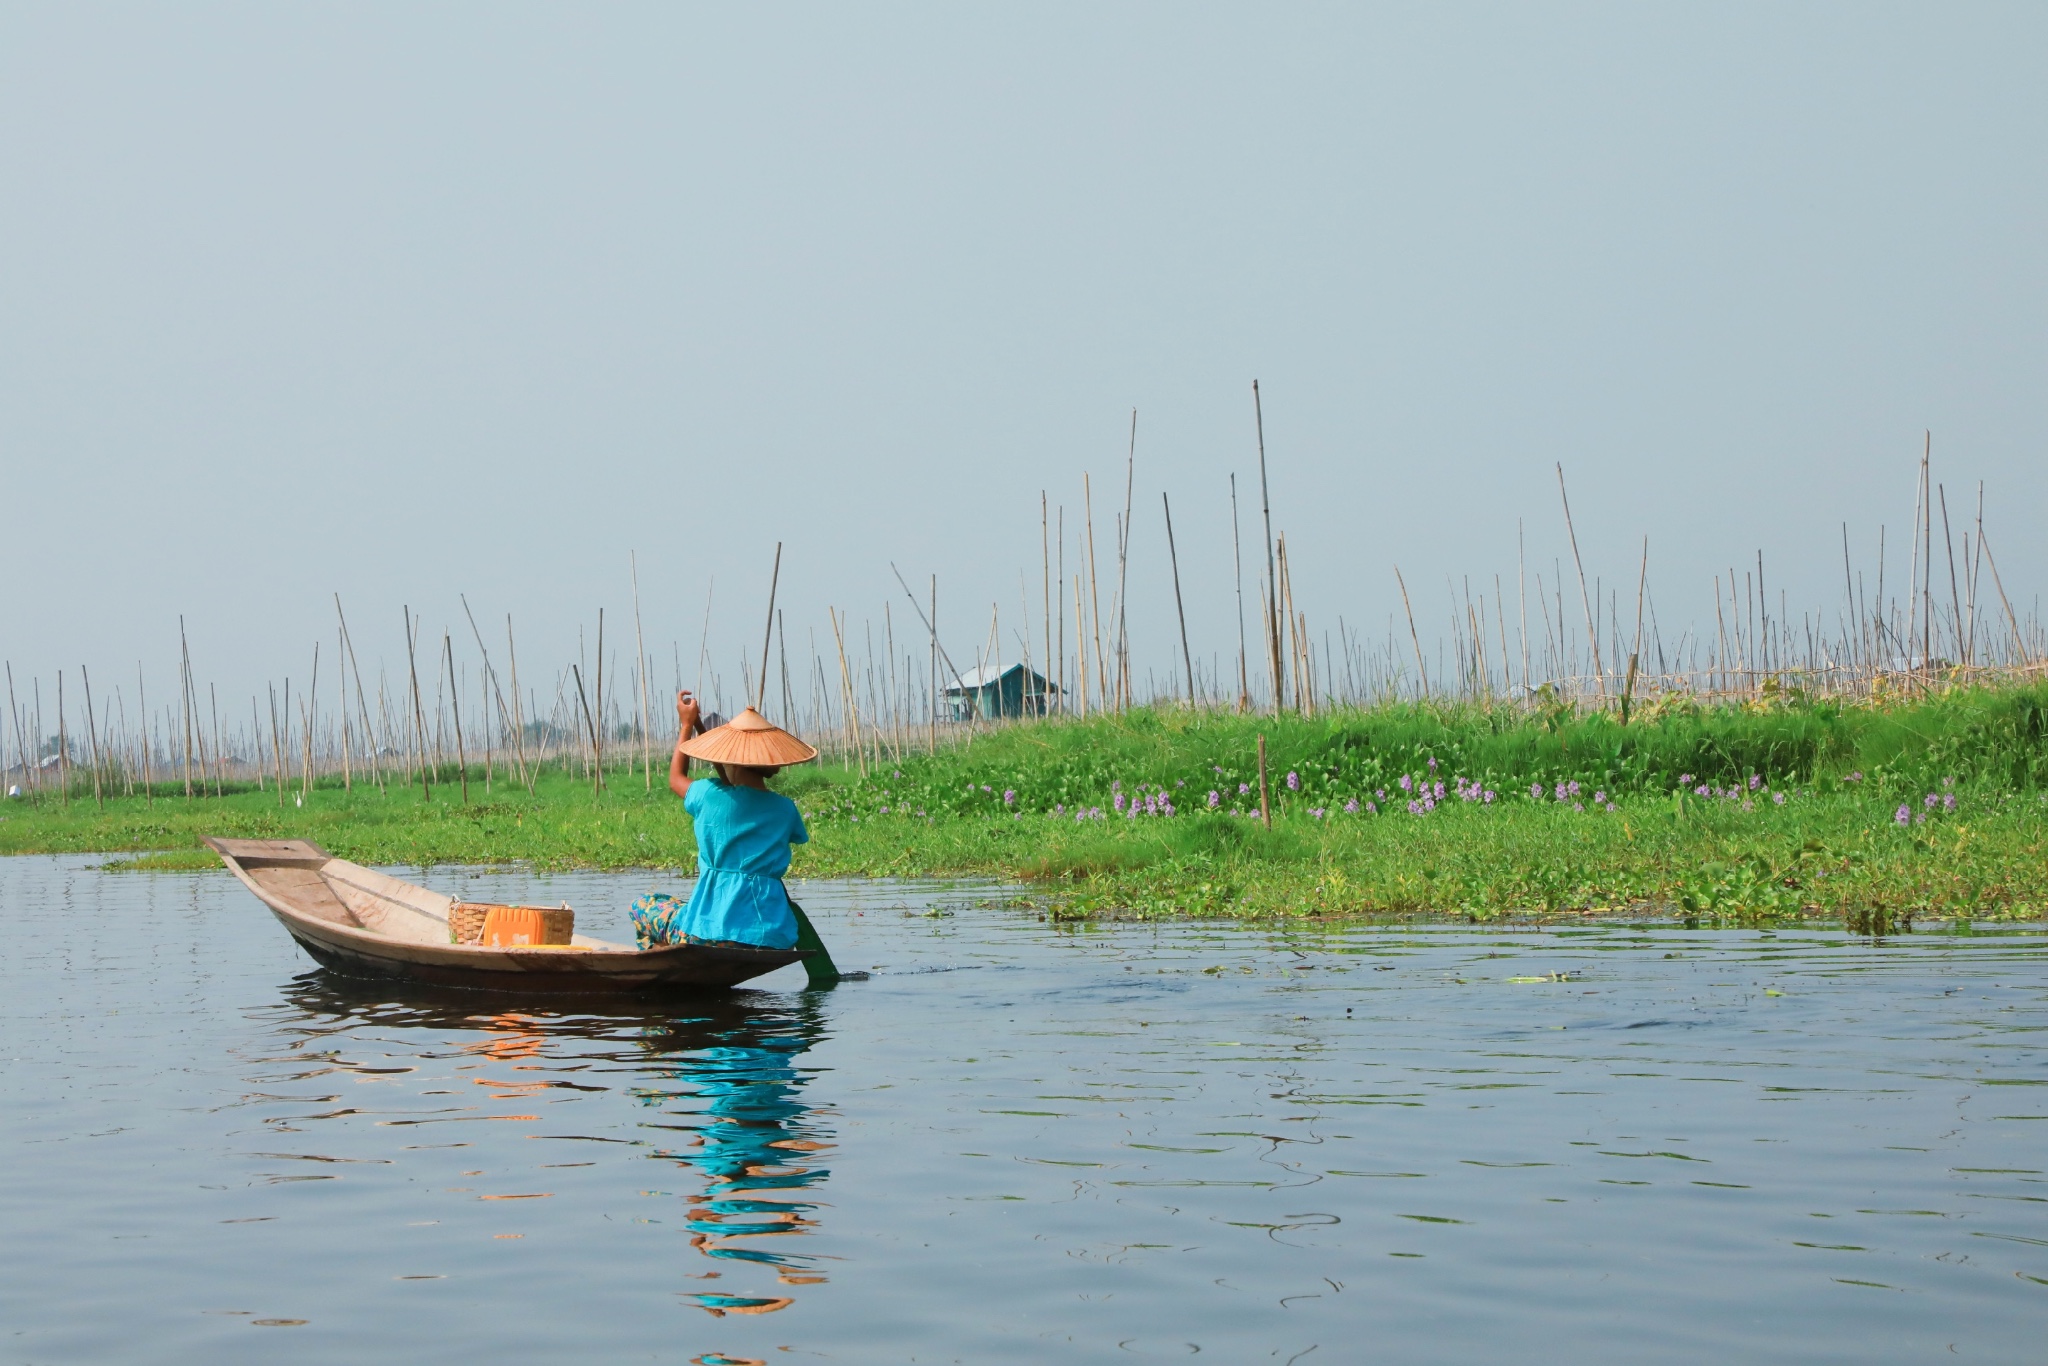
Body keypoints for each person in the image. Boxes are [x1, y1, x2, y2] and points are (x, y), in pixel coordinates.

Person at [632, 691, 841, 983]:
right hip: (771, 933)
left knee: (644, 905)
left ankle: (661, 972)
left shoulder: (708, 795)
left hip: (706, 931)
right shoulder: (785, 808)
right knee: (681, 908)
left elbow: (676, 777)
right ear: (772, 765)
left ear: (726, 758)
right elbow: (792, 834)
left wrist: (686, 725)